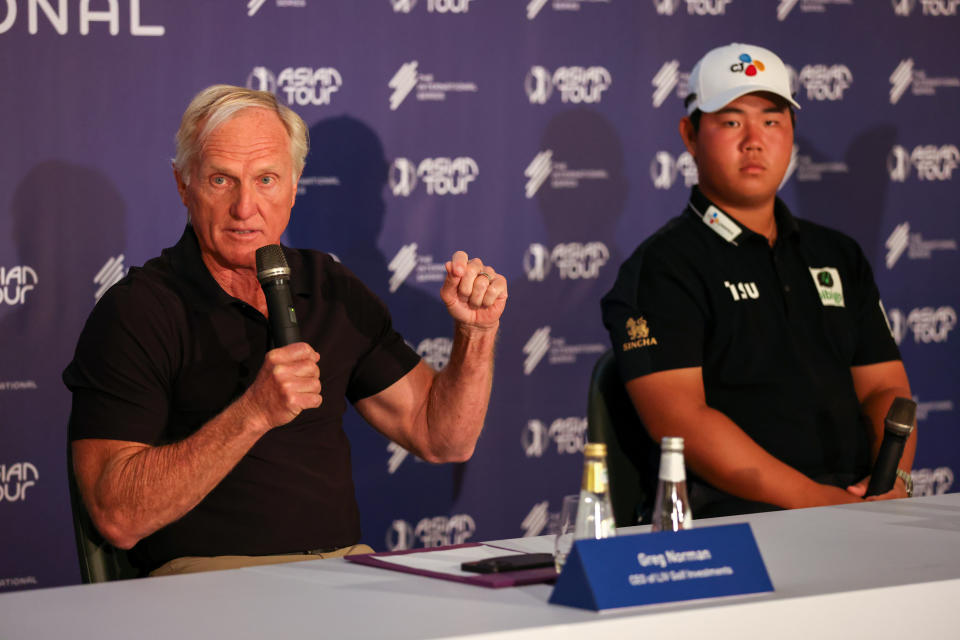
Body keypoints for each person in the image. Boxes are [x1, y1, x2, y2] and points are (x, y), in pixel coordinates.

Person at [63, 85, 508, 575]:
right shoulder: (138, 310)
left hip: (344, 573)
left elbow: (443, 438)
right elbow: (117, 517)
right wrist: (254, 412)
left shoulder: (329, 286)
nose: (245, 207)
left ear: (295, 188)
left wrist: (476, 334)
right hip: (208, 584)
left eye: (267, 180)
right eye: (220, 180)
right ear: (183, 185)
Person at [601, 43, 915, 518]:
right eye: (731, 122)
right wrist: (821, 505)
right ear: (690, 135)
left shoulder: (838, 254)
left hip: (858, 512)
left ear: (790, 133)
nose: (754, 140)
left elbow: (884, 389)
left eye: (772, 121)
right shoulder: (663, 267)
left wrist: (892, 483)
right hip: (734, 526)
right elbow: (682, 421)